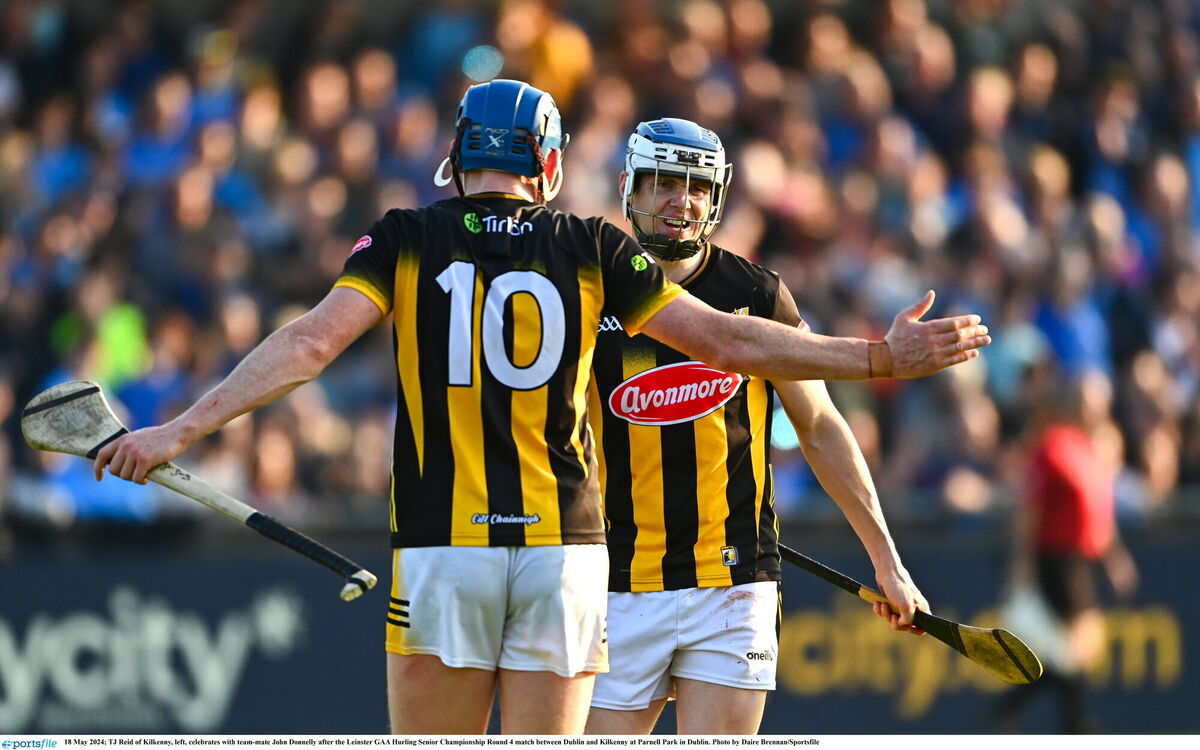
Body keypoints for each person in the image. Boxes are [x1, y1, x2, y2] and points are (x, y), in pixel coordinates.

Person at [93, 80, 990, 734]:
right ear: (550, 166)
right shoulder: (594, 246)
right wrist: (878, 356)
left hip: (447, 549)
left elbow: (306, 348)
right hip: (570, 559)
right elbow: (726, 342)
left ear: (458, 153)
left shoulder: (405, 236)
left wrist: (176, 430)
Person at [583, 118, 933, 735]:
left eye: (695, 186)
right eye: (663, 182)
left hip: (733, 582)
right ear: (628, 189)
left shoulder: (755, 293)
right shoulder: (589, 293)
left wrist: (888, 560)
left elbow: (820, 424)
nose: (679, 200)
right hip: (616, 581)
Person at [994, 370, 1137, 733]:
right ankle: (1077, 725)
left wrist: (1114, 558)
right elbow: (1030, 511)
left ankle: (1015, 706)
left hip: (1080, 558)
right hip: (1055, 558)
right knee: (1078, 645)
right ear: (1074, 405)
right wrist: (1022, 566)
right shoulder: (1053, 446)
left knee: (1076, 650)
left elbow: (1098, 511)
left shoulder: (1091, 448)